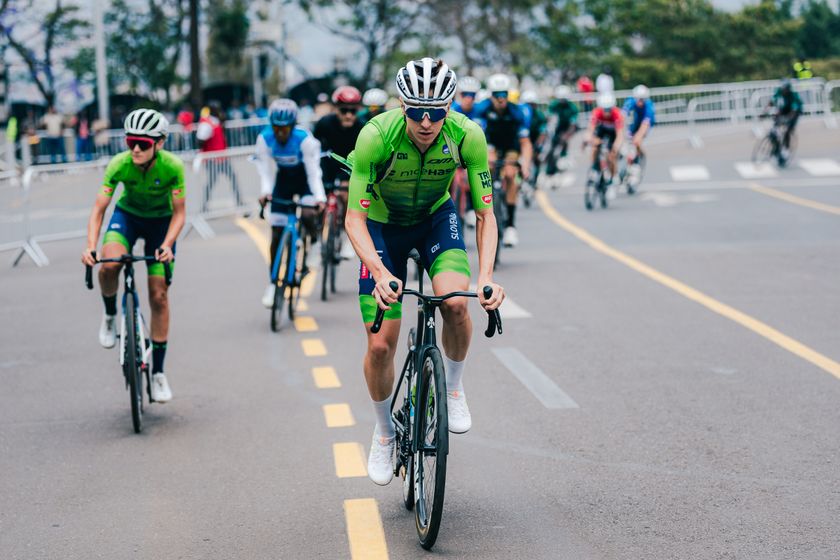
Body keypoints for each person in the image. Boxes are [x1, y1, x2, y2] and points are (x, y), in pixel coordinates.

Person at [340, 57, 505, 486]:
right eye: (416, 112)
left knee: (455, 303)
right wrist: (377, 271)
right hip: (380, 226)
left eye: (436, 112)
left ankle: (452, 386)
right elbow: (353, 220)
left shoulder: (467, 135)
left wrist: (486, 276)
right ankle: (383, 432)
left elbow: (486, 214)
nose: (427, 122)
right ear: (401, 105)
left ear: (450, 107)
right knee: (380, 346)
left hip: (435, 217)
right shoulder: (376, 136)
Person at [81, 109, 185, 403]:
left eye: (143, 143)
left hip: (161, 224)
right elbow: (99, 210)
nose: (136, 149)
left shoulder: (172, 167)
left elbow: (180, 214)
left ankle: (158, 373)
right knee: (109, 264)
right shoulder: (119, 164)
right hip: (128, 217)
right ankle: (112, 313)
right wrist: (90, 245)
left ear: (160, 143)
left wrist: (167, 244)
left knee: (158, 296)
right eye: (131, 142)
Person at [255, 99, 326, 308]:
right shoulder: (264, 138)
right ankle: (272, 283)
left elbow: (314, 172)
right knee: (276, 233)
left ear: (292, 126)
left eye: (284, 128)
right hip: (283, 181)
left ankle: (314, 243)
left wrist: (319, 197)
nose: (280, 133)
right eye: (276, 127)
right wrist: (266, 192)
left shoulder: (304, 139)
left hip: (304, 179)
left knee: (307, 214)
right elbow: (266, 170)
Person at [473, 72, 532, 248]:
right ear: (491, 96)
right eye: (497, 95)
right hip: (489, 144)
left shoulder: (517, 112)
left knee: (511, 174)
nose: (500, 99)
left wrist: (526, 165)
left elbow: (525, 142)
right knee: (488, 168)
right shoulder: (481, 109)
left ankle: (511, 226)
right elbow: (474, 136)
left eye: (504, 95)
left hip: (510, 147)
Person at [314, 86, 365, 260]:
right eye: (344, 110)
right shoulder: (324, 124)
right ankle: (317, 236)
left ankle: (344, 236)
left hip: (348, 167)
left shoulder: (362, 127)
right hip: (327, 165)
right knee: (318, 201)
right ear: (336, 109)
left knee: (345, 195)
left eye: (353, 111)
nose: (349, 115)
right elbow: (313, 148)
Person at [196, 101, 241, 211]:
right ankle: (204, 206)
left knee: (233, 178)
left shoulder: (216, 121)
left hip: (222, 158)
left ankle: (240, 202)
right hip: (213, 159)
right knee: (211, 183)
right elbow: (200, 140)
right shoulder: (207, 124)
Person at [585, 92, 624, 194]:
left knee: (611, 156)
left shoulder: (617, 114)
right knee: (594, 147)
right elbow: (590, 129)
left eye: (609, 110)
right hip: (601, 131)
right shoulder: (596, 112)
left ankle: (613, 176)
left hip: (613, 134)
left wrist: (615, 147)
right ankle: (594, 168)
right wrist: (590, 139)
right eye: (604, 110)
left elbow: (620, 135)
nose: (607, 113)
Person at [621, 84, 655, 188]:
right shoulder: (630, 101)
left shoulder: (649, 106)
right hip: (634, 123)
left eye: (642, 100)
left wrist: (638, 137)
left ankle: (638, 162)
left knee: (637, 141)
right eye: (638, 100)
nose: (640, 102)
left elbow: (645, 125)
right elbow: (622, 117)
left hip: (644, 124)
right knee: (624, 143)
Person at [545, 85, 579, 176]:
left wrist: (567, 135)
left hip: (568, 127)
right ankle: (550, 168)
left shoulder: (572, 108)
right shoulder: (553, 104)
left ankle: (564, 156)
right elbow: (548, 116)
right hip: (557, 126)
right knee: (552, 145)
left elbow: (573, 125)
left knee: (564, 141)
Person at [768, 79, 803, 159]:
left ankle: (786, 149)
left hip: (794, 112)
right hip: (784, 110)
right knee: (773, 131)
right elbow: (772, 102)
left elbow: (794, 110)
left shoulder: (793, 96)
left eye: (785, 89)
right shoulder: (779, 92)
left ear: (788, 89)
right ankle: (776, 147)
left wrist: (788, 119)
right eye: (782, 89)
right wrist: (764, 112)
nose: (783, 91)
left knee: (787, 131)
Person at [520, 90, 548, 183]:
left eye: (532, 104)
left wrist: (537, 145)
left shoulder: (539, 116)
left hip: (535, 139)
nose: (530, 107)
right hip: (522, 139)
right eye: (527, 104)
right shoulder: (520, 115)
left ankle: (535, 177)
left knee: (537, 157)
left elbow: (543, 132)